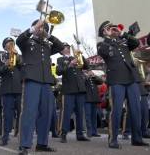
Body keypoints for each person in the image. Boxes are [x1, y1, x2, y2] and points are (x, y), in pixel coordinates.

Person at [97, 20, 149, 149]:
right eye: (109, 28)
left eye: (113, 28)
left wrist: (122, 33)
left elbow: (135, 43)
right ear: (104, 32)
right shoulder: (102, 44)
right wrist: (108, 37)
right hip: (116, 80)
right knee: (117, 110)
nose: (112, 29)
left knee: (136, 110)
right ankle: (113, 139)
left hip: (131, 79)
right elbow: (103, 52)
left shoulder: (123, 42)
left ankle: (137, 138)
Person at [16, 19, 64, 154]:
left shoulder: (48, 45)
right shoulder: (27, 42)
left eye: (45, 29)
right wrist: (33, 29)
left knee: (47, 113)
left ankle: (42, 143)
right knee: (29, 112)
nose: (42, 30)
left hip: (46, 82)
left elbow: (60, 46)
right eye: (40, 28)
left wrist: (48, 35)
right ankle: (24, 144)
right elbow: (19, 40)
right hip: (32, 80)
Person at [57, 43, 90, 143]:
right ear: (61, 51)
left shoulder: (76, 57)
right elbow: (59, 71)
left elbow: (86, 66)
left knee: (80, 113)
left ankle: (80, 134)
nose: (67, 49)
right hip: (69, 90)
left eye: (68, 47)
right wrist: (70, 64)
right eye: (65, 48)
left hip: (80, 89)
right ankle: (63, 133)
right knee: (66, 113)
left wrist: (81, 56)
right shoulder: (61, 59)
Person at [0, 38, 22, 146]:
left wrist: (18, 57)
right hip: (7, 90)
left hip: (19, 89)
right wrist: (5, 65)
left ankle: (21, 137)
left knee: (22, 114)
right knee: (7, 115)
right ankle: (5, 137)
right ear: (4, 46)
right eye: (7, 44)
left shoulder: (20, 55)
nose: (10, 45)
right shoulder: (1, 57)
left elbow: (24, 67)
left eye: (11, 43)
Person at [84, 70, 103, 137]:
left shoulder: (93, 78)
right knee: (88, 116)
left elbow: (101, 81)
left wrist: (94, 76)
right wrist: (87, 76)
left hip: (94, 99)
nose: (89, 72)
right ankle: (89, 131)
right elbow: (82, 82)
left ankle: (94, 131)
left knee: (94, 116)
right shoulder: (83, 76)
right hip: (87, 99)